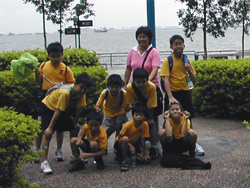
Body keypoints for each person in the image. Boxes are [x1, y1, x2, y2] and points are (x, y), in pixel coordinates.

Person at [160, 35, 205, 156]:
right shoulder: (167, 61)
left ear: (184, 46)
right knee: (168, 118)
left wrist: (189, 69)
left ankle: (193, 143)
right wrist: (170, 97)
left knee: (188, 118)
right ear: (171, 47)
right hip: (172, 93)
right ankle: (167, 144)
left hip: (185, 92)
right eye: (176, 44)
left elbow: (194, 79)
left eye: (180, 43)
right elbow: (166, 80)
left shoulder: (187, 60)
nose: (178, 46)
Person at [40, 73, 93, 174]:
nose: (82, 91)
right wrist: (50, 128)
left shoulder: (82, 95)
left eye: (85, 89)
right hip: (49, 107)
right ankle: (44, 161)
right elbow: (58, 111)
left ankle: (74, 155)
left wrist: (74, 123)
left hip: (61, 109)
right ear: (75, 84)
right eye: (81, 87)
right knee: (47, 133)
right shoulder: (65, 93)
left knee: (75, 128)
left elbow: (78, 109)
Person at [35, 42, 75, 162]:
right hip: (46, 98)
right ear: (48, 56)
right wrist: (36, 75)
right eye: (53, 56)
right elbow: (38, 83)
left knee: (59, 127)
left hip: (60, 99)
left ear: (62, 55)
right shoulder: (43, 66)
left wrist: (61, 86)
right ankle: (38, 150)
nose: (55, 59)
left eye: (58, 56)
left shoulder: (66, 69)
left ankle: (59, 149)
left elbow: (71, 84)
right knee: (42, 126)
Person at [126, 68, 158, 159]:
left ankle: (154, 146)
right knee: (137, 124)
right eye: (138, 82)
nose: (141, 84)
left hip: (149, 105)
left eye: (143, 82)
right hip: (137, 106)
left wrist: (150, 118)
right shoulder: (130, 88)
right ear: (134, 81)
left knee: (152, 124)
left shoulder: (151, 87)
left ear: (147, 80)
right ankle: (138, 144)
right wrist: (129, 108)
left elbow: (151, 105)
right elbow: (128, 105)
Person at [114, 102, 150, 172]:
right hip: (122, 143)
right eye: (136, 115)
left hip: (134, 144)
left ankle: (133, 156)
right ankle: (124, 161)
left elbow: (143, 139)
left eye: (141, 115)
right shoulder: (128, 125)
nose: (138, 117)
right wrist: (130, 146)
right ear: (133, 116)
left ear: (145, 117)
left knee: (145, 159)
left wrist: (144, 154)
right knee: (125, 139)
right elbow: (120, 136)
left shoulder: (145, 124)